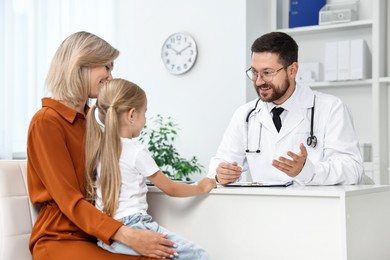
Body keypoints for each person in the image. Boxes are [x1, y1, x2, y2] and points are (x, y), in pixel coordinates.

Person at [27, 31, 178, 260]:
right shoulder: (46, 122)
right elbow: (70, 201)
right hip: (61, 239)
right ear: (81, 65)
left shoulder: (93, 122)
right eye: (106, 67)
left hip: (99, 236)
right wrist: (127, 235)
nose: (110, 75)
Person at [208, 31, 364, 186]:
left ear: (292, 70)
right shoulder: (245, 114)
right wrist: (220, 174)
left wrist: (306, 171)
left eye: (267, 73)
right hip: (263, 207)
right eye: (255, 73)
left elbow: (352, 169)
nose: (258, 82)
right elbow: (221, 162)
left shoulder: (331, 108)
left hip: (314, 207)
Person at [84, 78, 216, 259]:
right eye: (144, 113)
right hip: (134, 227)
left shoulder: (98, 148)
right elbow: (171, 188)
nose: (145, 120)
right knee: (200, 255)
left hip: (108, 236)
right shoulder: (135, 151)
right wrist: (201, 187)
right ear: (131, 115)